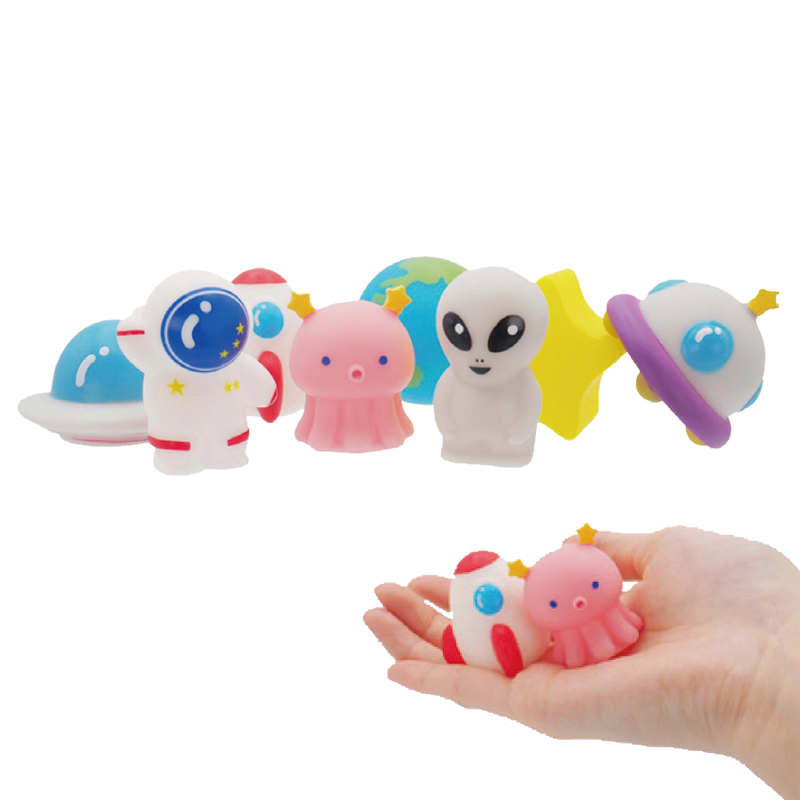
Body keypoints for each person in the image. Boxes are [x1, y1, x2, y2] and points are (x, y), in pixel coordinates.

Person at [364, 527, 800, 800]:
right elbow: (505, 639)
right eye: (555, 604)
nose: (574, 603)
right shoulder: (522, 602)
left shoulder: (542, 594)